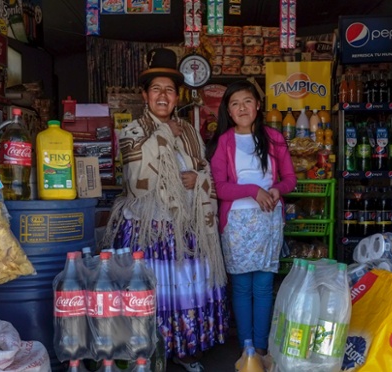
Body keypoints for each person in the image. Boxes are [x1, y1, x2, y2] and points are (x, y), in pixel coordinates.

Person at [102, 48, 228, 372]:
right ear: (145, 95)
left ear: (176, 96)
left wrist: (195, 177)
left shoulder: (188, 131)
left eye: (169, 89)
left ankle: (184, 348)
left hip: (186, 227)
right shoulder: (133, 132)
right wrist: (161, 135)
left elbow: (204, 167)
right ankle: (148, 349)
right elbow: (134, 180)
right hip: (150, 229)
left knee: (184, 288)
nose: (163, 95)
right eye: (156, 88)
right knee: (152, 289)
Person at [206, 80, 296, 356]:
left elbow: (290, 179)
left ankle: (261, 345)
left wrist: (274, 189)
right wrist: (252, 190)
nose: (242, 108)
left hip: (268, 221)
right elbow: (218, 187)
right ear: (229, 112)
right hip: (236, 223)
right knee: (243, 286)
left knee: (264, 285)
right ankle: (247, 347)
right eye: (235, 104)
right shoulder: (224, 142)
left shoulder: (274, 138)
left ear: (258, 105)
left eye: (247, 101)